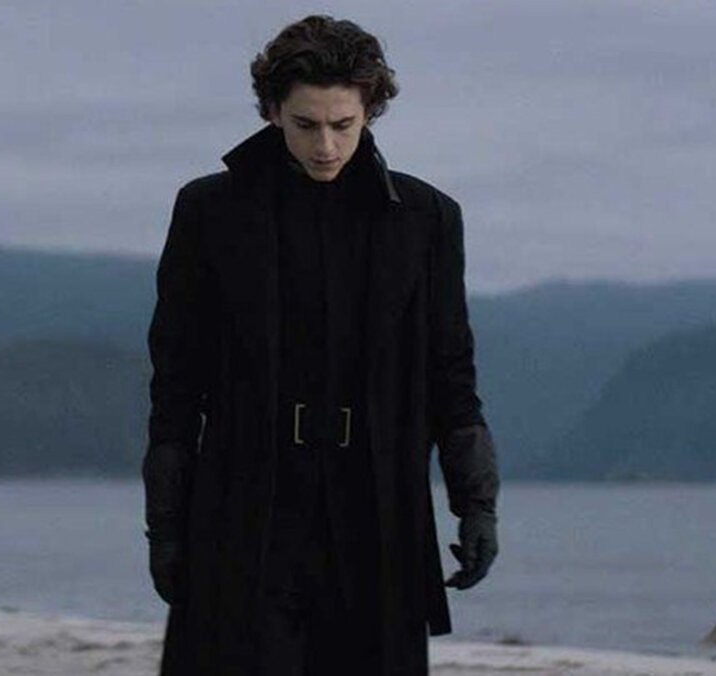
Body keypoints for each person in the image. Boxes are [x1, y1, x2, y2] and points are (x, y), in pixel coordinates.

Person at [142, 15, 500, 676]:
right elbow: (176, 384)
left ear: (371, 111)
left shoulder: (426, 219)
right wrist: (164, 528)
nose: (327, 146)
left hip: (376, 511)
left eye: (344, 124)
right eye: (306, 124)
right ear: (273, 112)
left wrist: (477, 507)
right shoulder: (209, 212)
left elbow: (451, 376)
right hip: (245, 509)